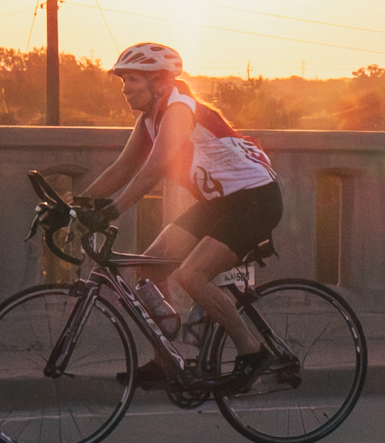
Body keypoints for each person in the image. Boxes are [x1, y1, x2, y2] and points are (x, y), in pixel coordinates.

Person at [75, 42, 282, 391]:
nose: (124, 88)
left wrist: (112, 210)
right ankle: (165, 360)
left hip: (255, 200)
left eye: (131, 80)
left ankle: (252, 351)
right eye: (123, 80)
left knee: (192, 275)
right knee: (150, 265)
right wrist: (74, 205)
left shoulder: (180, 108)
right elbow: (122, 169)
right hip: (221, 202)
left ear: (158, 81)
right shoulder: (150, 119)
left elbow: (156, 166)